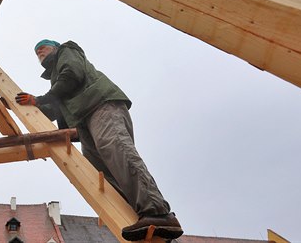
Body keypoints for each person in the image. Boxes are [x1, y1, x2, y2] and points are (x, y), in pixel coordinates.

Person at [15, 39, 183, 241]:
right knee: (102, 175)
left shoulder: (67, 52)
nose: (39, 50)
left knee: (115, 150)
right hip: (85, 122)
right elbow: (52, 109)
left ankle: (157, 213)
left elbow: (72, 74)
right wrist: (14, 104)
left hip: (99, 105)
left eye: (43, 46)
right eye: (36, 51)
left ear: (56, 47)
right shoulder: (56, 81)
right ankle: (142, 220)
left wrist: (40, 99)